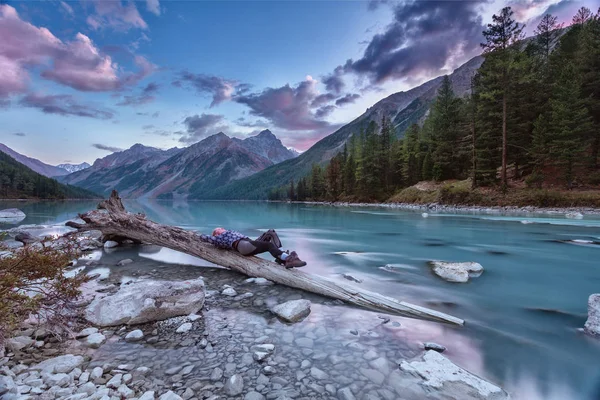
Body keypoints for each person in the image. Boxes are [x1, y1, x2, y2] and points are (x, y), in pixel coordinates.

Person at [199, 228, 307, 268]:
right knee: (268, 245)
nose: (221, 229)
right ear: (216, 234)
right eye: (218, 230)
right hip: (242, 246)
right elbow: (204, 237)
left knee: (271, 233)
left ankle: (283, 258)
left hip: (249, 242)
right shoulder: (220, 238)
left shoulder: (227, 232)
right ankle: (287, 259)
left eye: (221, 228)